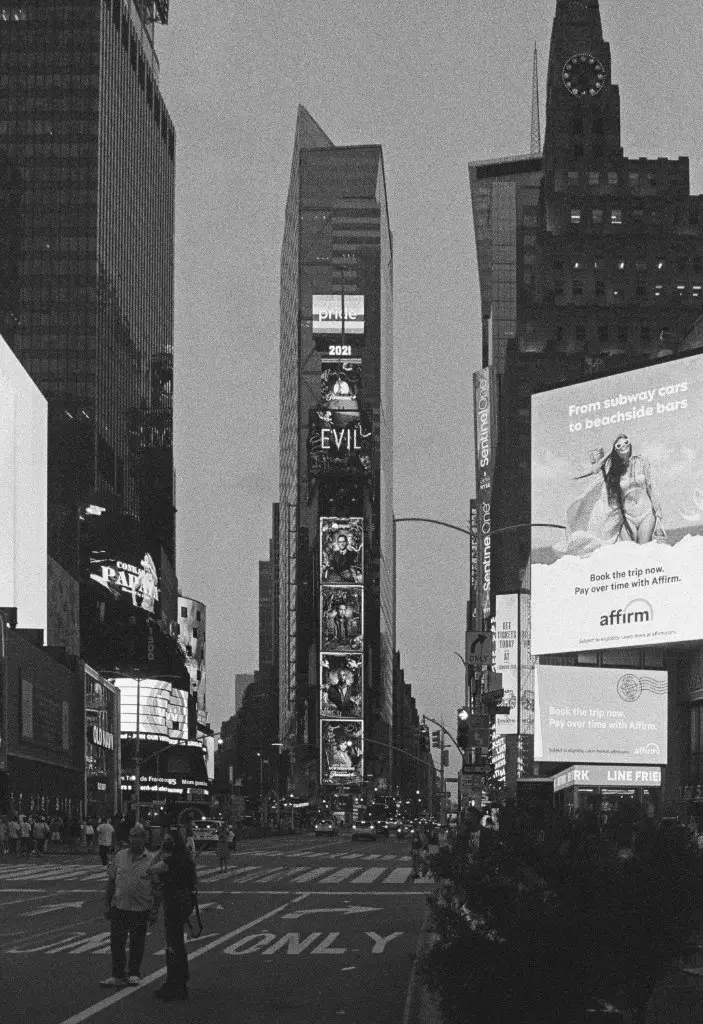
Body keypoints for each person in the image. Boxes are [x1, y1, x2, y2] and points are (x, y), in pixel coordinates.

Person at [556, 435, 665, 556]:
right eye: (619, 445)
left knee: (643, 551)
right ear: (615, 449)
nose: (623, 446)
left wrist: (658, 510)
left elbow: (651, 487)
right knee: (630, 555)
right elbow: (595, 469)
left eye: (626, 442)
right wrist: (610, 452)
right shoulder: (613, 469)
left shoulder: (641, 461)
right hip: (627, 518)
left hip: (646, 514)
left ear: (630, 444)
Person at [100, 823, 158, 988]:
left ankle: (134, 973)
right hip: (119, 906)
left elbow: (157, 887)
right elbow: (111, 881)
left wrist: (154, 910)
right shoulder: (120, 856)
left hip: (141, 908)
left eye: (137, 836)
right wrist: (107, 903)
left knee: (137, 942)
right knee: (116, 942)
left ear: (144, 839)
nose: (134, 840)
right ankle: (117, 974)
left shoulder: (152, 859)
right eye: (132, 836)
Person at [148, 831, 198, 1002]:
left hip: (173, 902)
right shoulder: (187, 859)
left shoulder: (170, 861)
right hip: (185, 902)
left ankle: (174, 983)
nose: (165, 842)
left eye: (167, 840)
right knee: (178, 944)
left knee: (173, 945)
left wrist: (160, 850)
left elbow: (150, 867)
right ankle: (181, 982)